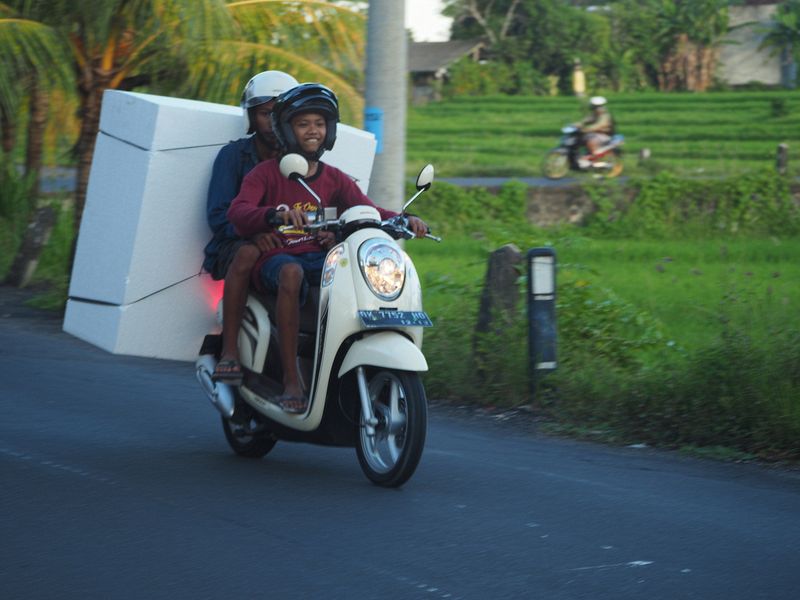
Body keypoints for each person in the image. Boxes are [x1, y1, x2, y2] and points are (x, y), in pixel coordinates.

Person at [227, 83, 429, 413]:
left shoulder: (335, 179)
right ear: (287, 129)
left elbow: (368, 210)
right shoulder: (265, 174)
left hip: (320, 258)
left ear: (330, 130)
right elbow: (238, 211)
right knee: (291, 274)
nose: (313, 131)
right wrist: (273, 215)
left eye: (320, 124)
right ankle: (292, 379)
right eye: (303, 123)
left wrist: (406, 220)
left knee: (359, 275)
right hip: (276, 260)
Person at [203, 70, 299, 385]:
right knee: (246, 253)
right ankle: (229, 350)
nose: (271, 122)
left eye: (279, 114)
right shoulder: (233, 156)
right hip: (236, 244)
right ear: (251, 117)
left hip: (288, 246)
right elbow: (218, 215)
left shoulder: (303, 161)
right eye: (264, 114)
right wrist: (254, 232)